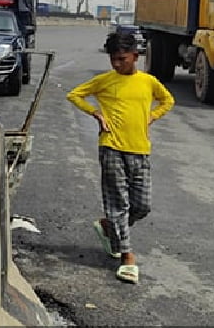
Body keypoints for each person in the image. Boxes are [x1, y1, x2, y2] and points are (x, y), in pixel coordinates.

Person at [67, 32, 174, 284]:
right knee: (119, 204)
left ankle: (107, 225)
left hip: (140, 149)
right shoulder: (104, 81)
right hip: (111, 147)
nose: (117, 64)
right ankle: (127, 256)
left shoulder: (148, 82)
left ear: (135, 57)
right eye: (113, 59)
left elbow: (168, 100)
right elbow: (74, 95)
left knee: (142, 205)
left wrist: (151, 117)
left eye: (122, 59)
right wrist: (96, 114)